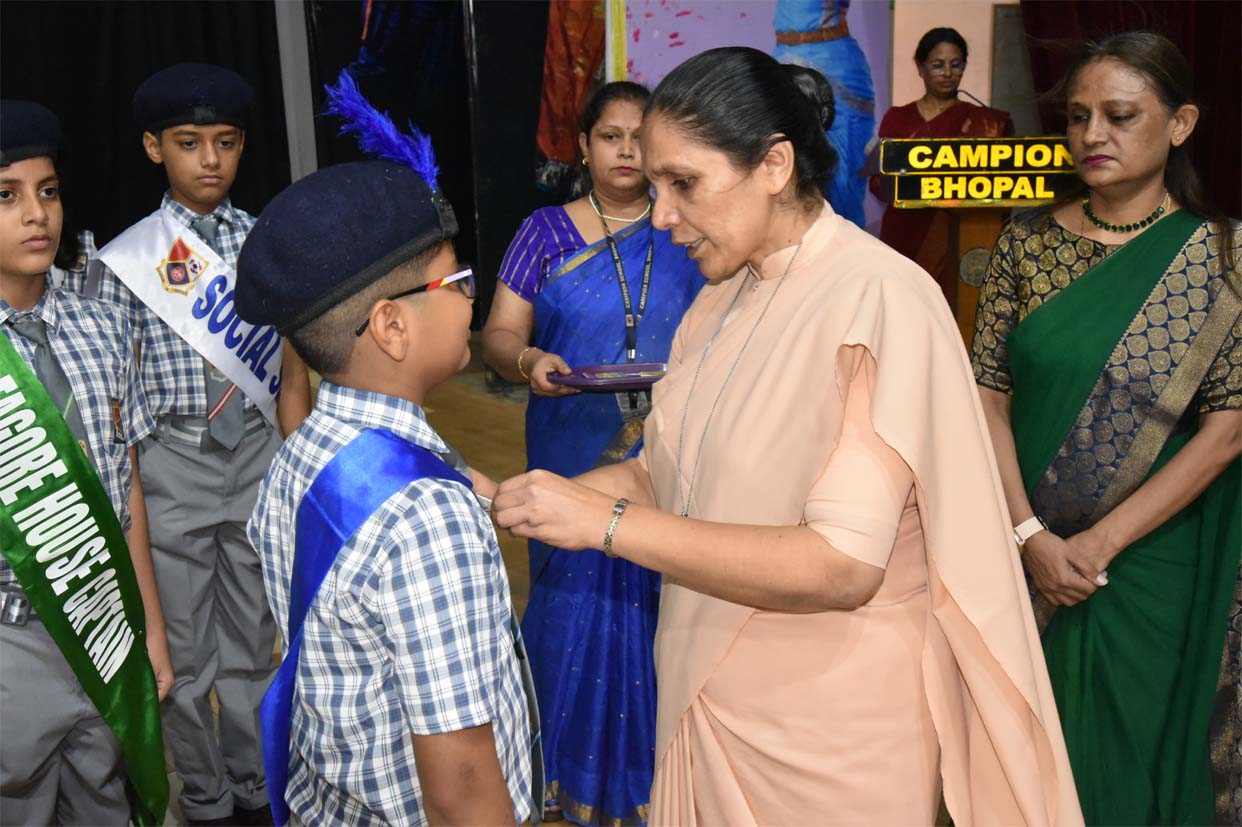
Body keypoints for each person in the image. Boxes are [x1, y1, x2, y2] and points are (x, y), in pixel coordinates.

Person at [495, 47, 1083, 825]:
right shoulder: (722, 297)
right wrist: (540, 499)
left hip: (828, 736)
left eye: (684, 183)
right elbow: (666, 472)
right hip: (706, 692)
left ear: (773, 164)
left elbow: (841, 565)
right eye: (657, 186)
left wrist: (607, 526)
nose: (661, 215)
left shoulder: (878, 298)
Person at [236, 77, 536, 826]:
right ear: (392, 327)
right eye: (456, 280)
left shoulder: (300, 453)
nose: (471, 296)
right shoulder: (426, 518)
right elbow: (461, 782)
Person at [970, 31, 1241, 826]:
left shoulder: (1223, 255)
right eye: (1078, 115)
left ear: (1180, 124)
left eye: (1120, 116)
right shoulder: (1026, 243)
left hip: (1148, 563)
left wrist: (1097, 545)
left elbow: (1228, 429)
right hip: (1021, 552)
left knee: (1132, 768)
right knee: (1019, 767)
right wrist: (1030, 535)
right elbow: (985, 398)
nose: (1092, 134)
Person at [90, 63, 311, 826]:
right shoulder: (125, 261)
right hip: (171, 462)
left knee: (254, 636)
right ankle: (207, 797)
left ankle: (254, 785)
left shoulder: (271, 243)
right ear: (155, 147)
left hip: (255, 451)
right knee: (181, 651)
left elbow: (291, 368)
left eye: (226, 141)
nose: (210, 159)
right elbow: (114, 391)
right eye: (188, 143)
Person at [482, 80, 701, 825]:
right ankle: (562, 773)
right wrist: (529, 362)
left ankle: (660, 777)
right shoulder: (544, 232)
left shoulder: (684, 225)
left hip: (670, 448)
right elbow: (499, 333)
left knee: (668, 592)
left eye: (641, 137)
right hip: (571, 438)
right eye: (611, 136)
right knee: (573, 594)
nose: (628, 151)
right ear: (582, 146)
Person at [0, 100, 172, 826]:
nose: (35, 213)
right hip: (12, 636)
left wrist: (152, 627)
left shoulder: (103, 325)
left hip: (106, 623)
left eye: (48, 190)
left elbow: (125, 490)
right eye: (5, 195)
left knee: (105, 796)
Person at [869, 28, 1013, 301]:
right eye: (938, 65)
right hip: (904, 231)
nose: (947, 73)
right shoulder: (897, 118)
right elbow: (878, 182)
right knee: (902, 304)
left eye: (955, 65)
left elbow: (1001, 187)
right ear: (920, 67)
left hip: (958, 234)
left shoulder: (985, 122)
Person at [772, 0, 875, 229]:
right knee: (789, 169)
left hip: (834, 60)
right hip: (784, 57)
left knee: (843, 175)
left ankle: (847, 249)